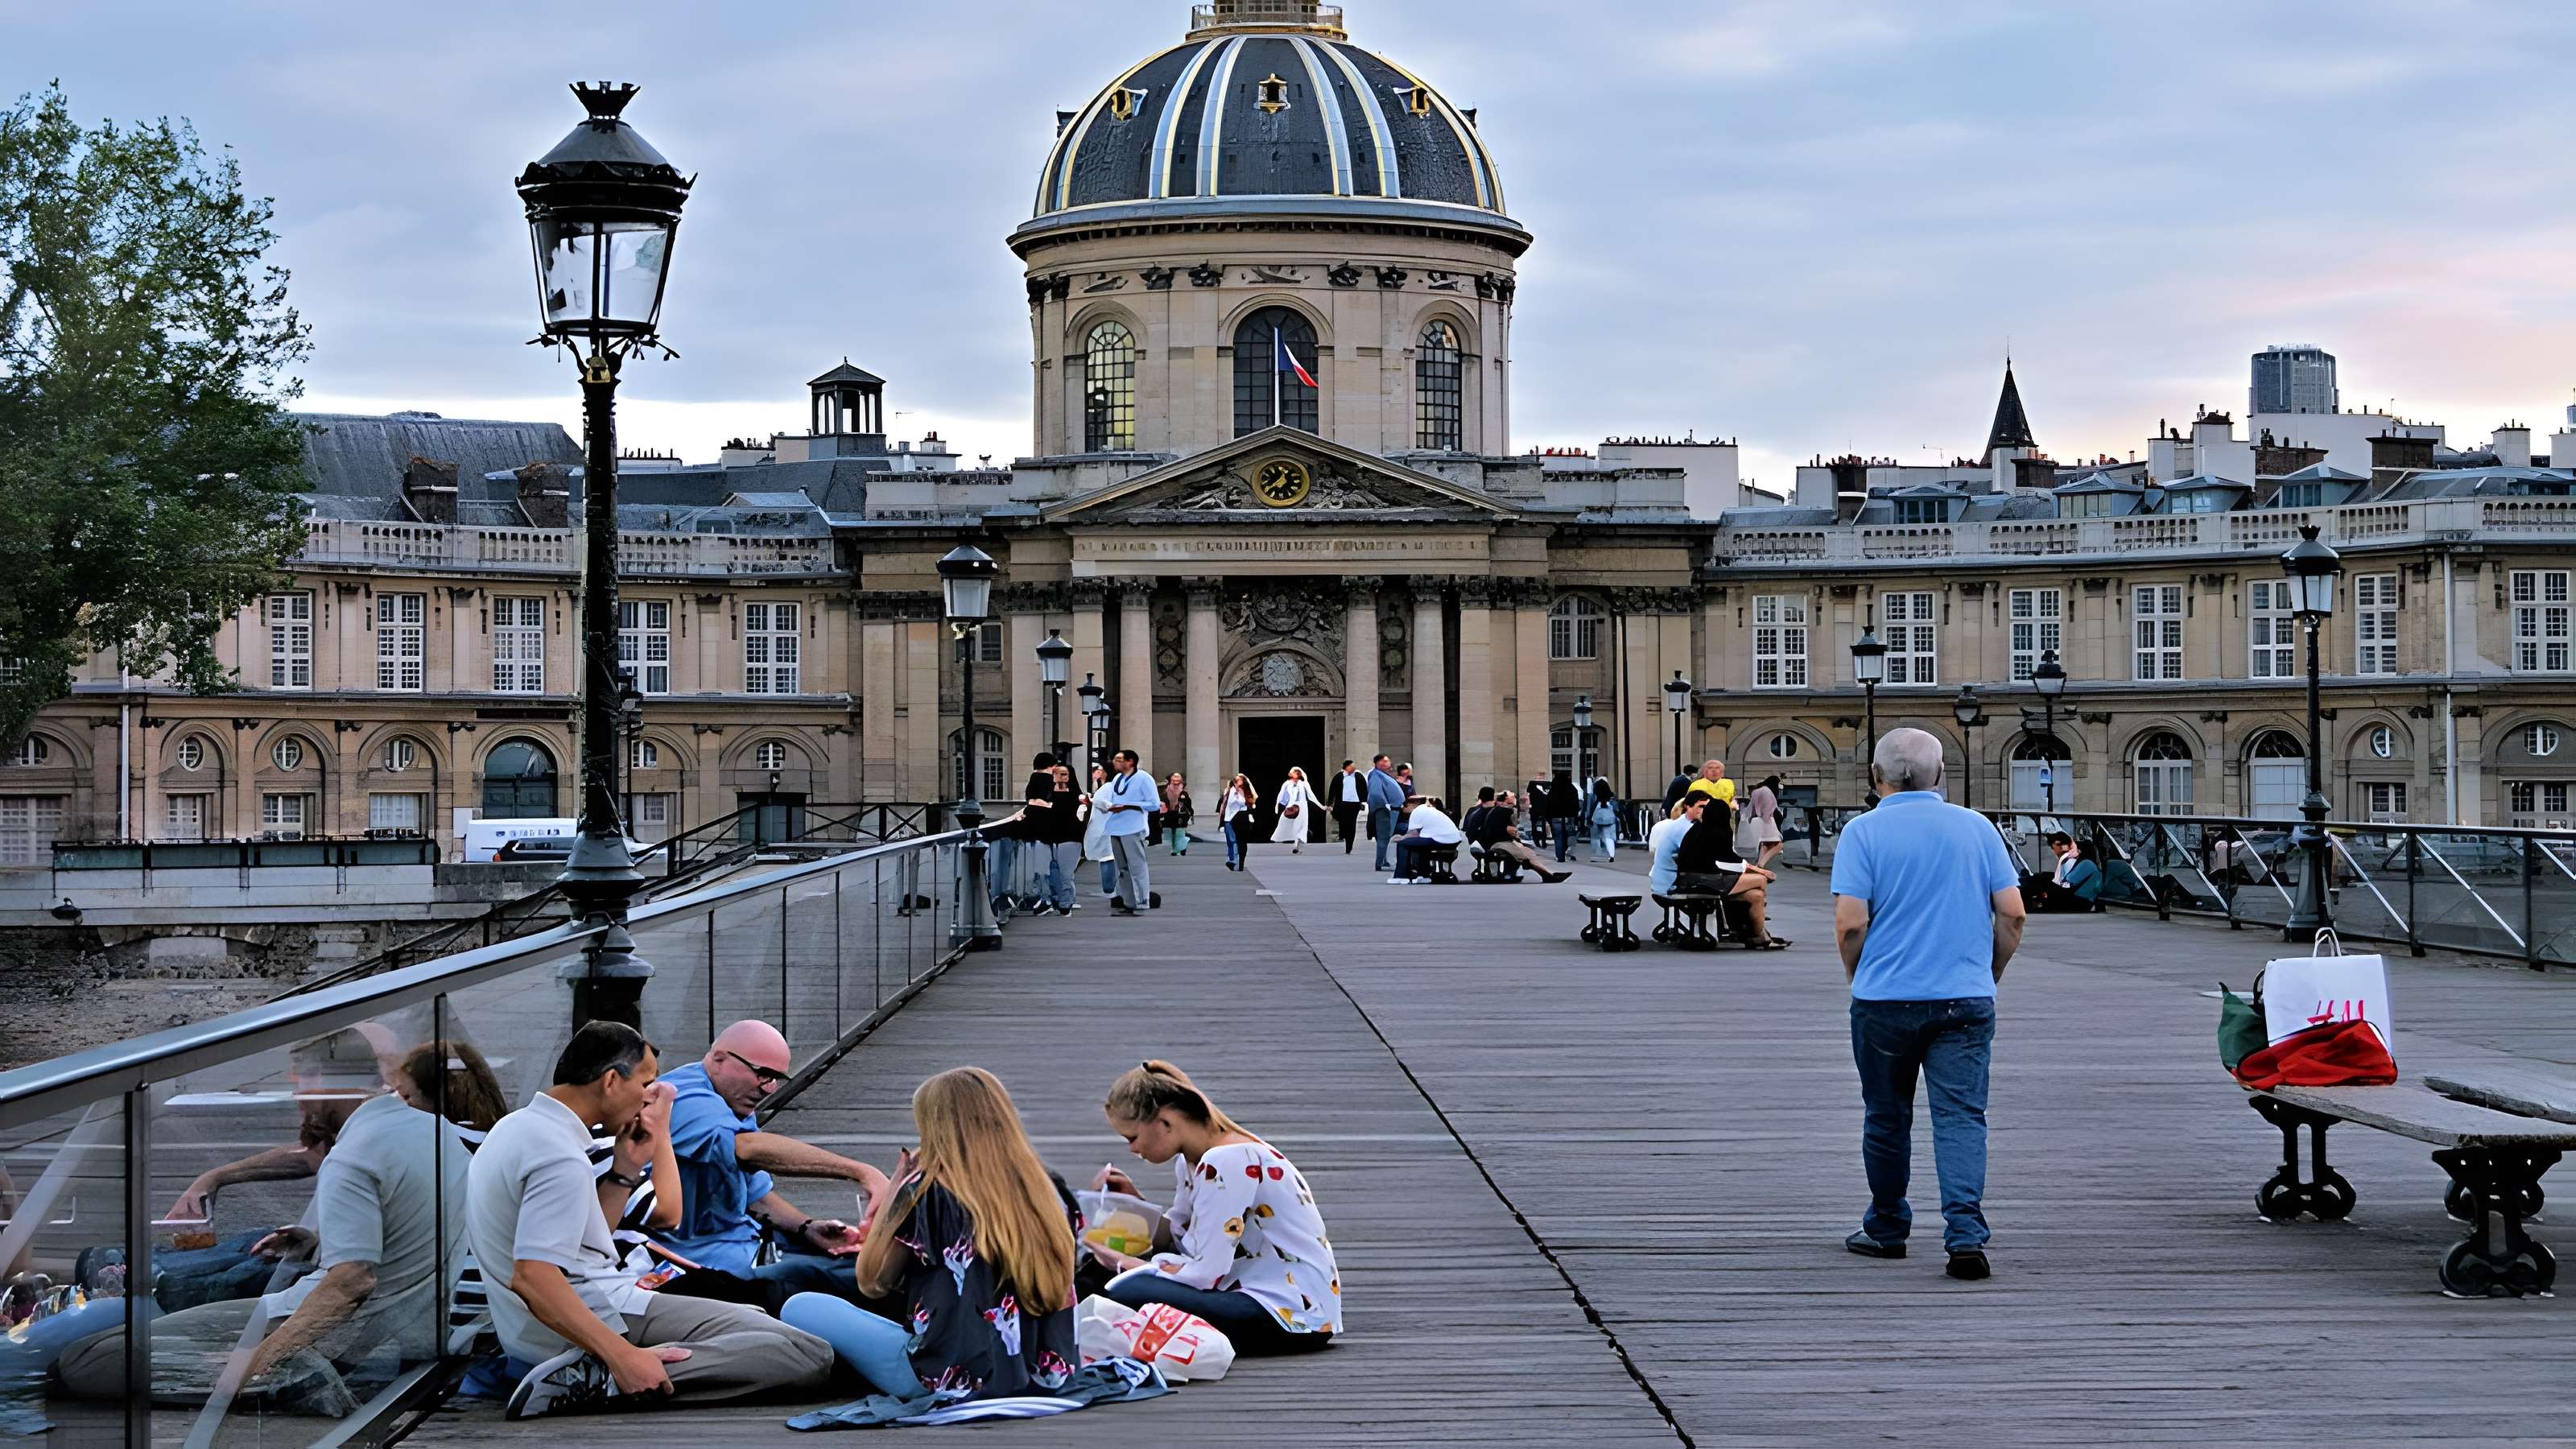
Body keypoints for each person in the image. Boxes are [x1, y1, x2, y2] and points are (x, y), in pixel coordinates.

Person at [48, 1027, 473, 1411]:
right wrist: (319, 1242)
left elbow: (352, 1282)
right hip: (406, 1329)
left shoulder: (353, 1156)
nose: (298, 1102)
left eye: (299, 1086)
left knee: (84, 1360)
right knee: (124, 1340)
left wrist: (255, 1366)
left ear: (325, 1081)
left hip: (339, 1340)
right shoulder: (433, 1130)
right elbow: (405, 1237)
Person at [471, 1022, 833, 1418]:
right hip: (588, 1321)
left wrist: (626, 1170)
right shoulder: (558, 1154)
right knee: (807, 1354)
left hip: (577, 1311)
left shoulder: (519, 1127)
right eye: (647, 1083)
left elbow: (585, 1247)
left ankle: (605, 1370)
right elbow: (532, 1278)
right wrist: (621, 1356)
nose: (651, 1097)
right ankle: (595, 1380)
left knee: (759, 1322)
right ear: (611, 1081)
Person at [1830, 729, 2026, 1282]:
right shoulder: (1977, 828)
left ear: (1877, 775)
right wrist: (1990, 973)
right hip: (1963, 998)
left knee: (1886, 1117)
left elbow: (1851, 922)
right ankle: (1965, 1236)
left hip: (1884, 1000)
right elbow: (2012, 914)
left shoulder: (1861, 833)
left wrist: (1857, 972)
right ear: (1940, 774)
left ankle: (1888, 1227)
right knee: (1962, 1117)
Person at [782, 1069, 1077, 1401]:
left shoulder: (925, 1192)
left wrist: (895, 1189)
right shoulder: (1049, 1189)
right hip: (1048, 1376)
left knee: (802, 1305)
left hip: (946, 1379)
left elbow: (873, 1282)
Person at [1091, 1062, 1336, 1356]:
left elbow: (1206, 1273)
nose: (1132, 1148)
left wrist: (1128, 1265)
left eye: (1132, 1137)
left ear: (1166, 1122)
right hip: (1249, 1294)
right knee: (1103, 1279)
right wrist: (1133, 1205)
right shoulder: (1193, 1161)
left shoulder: (1227, 1161)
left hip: (1288, 1314)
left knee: (1123, 1290)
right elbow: (1181, 1237)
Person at [648, 1022, 890, 1309]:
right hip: (707, 1265)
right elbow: (746, 1149)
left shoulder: (732, 1101)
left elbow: (756, 1196)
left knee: (867, 1262)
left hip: (750, 1243)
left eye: (776, 1078)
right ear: (719, 1059)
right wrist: (862, 1172)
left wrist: (807, 1227)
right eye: (762, 1075)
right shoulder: (682, 1096)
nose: (769, 1089)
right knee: (860, 1283)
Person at [1673, 791, 1783, 947]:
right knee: (1761, 880)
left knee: (1756, 895)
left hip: (1692, 878)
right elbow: (1728, 858)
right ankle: (1757, 933)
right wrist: (1761, 871)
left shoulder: (1699, 829)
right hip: (1703, 880)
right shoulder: (1718, 831)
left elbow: (1724, 859)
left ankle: (1755, 934)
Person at [1098, 749, 1158, 915]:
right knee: (1122, 868)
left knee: (1137, 866)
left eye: (1119, 759)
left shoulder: (1144, 778)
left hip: (1132, 827)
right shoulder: (1118, 779)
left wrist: (1128, 805)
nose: (1115, 763)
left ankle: (1142, 901)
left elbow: (1154, 804)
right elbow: (1115, 799)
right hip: (1115, 826)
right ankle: (1128, 901)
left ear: (1130, 761)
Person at [1467, 787, 1569, 884]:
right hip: (1496, 843)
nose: (1515, 798)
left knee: (1526, 852)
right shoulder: (1504, 811)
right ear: (1506, 799)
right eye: (1513, 796)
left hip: (1480, 842)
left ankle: (1548, 874)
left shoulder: (1475, 811)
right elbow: (1510, 830)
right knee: (1526, 854)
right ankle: (1548, 875)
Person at [1029, 762, 1087, 914]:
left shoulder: (1077, 795)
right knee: (1050, 872)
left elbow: (1082, 816)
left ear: (1069, 776)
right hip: (1049, 837)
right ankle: (1055, 900)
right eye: (1056, 773)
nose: (1059, 776)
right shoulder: (1046, 793)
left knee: (1065, 874)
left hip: (1070, 837)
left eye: (1063, 774)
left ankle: (1065, 904)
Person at [1390, 795, 1464, 883]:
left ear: (1413, 805)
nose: (1403, 810)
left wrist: (1400, 838)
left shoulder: (1417, 812)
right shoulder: (1428, 810)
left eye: (1405, 806)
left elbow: (1414, 834)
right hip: (1453, 839)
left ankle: (1401, 876)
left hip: (1441, 839)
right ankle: (1423, 875)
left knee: (1403, 843)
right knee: (1421, 845)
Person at [2021, 832, 2103, 913]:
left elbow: (2067, 881)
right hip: (2073, 896)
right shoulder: (2079, 864)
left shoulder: (2087, 864)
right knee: (2040, 879)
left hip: (2081, 900)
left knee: (2041, 880)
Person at [1364, 754, 1406, 873]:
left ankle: (1383, 860)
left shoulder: (1382, 775)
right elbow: (1375, 793)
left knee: (1386, 836)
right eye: (1385, 761)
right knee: (1383, 836)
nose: (1388, 763)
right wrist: (1385, 804)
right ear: (1378, 763)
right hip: (1385, 809)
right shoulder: (1376, 775)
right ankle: (1379, 863)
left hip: (1392, 808)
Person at [1082, 763, 1118, 900]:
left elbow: (1101, 801)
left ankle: (1109, 889)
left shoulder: (1108, 787)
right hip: (1111, 826)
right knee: (1110, 857)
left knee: (1107, 858)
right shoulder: (1111, 787)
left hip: (1105, 827)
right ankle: (1113, 888)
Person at [1740, 774, 1785, 869]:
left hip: (1757, 820)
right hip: (1766, 820)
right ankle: (1761, 864)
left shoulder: (1757, 791)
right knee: (1778, 845)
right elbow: (1768, 809)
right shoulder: (1768, 792)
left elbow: (1750, 808)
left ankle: (1760, 866)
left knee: (1765, 845)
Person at [1218, 773, 1258, 872]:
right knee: (1230, 841)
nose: (1237, 781)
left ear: (1243, 781)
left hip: (1241, 817)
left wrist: (1240, 794)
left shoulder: (1246, 792)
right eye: (1236, 780)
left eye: (1239, 780)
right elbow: (1226, 804)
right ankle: (1232, 859)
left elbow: (1249, 803)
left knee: (1238, 841)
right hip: (1229, 818)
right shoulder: (1230, 790)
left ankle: (1235, 861)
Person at [1271, 766, 1316, 854]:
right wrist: (1279, 805)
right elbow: (1281, 795)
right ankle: (1282, 837)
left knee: (1300, 827)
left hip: (1302, 808)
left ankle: (1296, 845)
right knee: (1285, 823)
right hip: (1291, 807)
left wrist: (1323, 806)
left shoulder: (1303, 784)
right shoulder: (1287, 784)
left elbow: (1311, 796)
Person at [1543, 771, 1583, 862]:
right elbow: (1576, 805)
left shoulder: (1553, 790)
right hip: (1569, 817)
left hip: (1556, 817)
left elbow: (1548, 805)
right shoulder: (1572, 789)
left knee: (1558, 837)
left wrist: (1548, 817)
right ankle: (1566, 852)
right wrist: (1575, 817)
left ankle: (1560, 856)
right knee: (1568, 837)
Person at [1331, 760, 1366, 853]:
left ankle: (1349, 845)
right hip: (1342, 804)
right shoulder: (1339, 776)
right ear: (1346, 767)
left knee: (1352, 824)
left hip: (1354, 804)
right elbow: (1333, 789)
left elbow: (1364, 788)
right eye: (1351, 766)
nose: (1353, 768)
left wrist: (1364, 801)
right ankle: (1343, 835)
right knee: (1344, 822)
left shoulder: (1358, 776)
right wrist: (1329, 802)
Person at [1587, 777, 1620, 863]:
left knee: (1596, 837)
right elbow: (1617, 810)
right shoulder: (1611, 799)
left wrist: (1589, 819)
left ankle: (1597, 855)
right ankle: (1611, 855)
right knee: (1609, 837)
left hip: (1597, 817)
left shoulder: (1596, 799)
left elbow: (1591, 809)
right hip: (1609, 818)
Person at [1162, 772, 1194, 856]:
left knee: (1180, 832)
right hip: (1170, 815)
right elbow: (1165, 803)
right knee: (1173, 833)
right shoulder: (1167, 792)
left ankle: (1180, 848)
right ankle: (1175, 848)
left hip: (1181, 815)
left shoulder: (1184, 794)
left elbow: (1188, 804)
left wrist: (1191, 813)